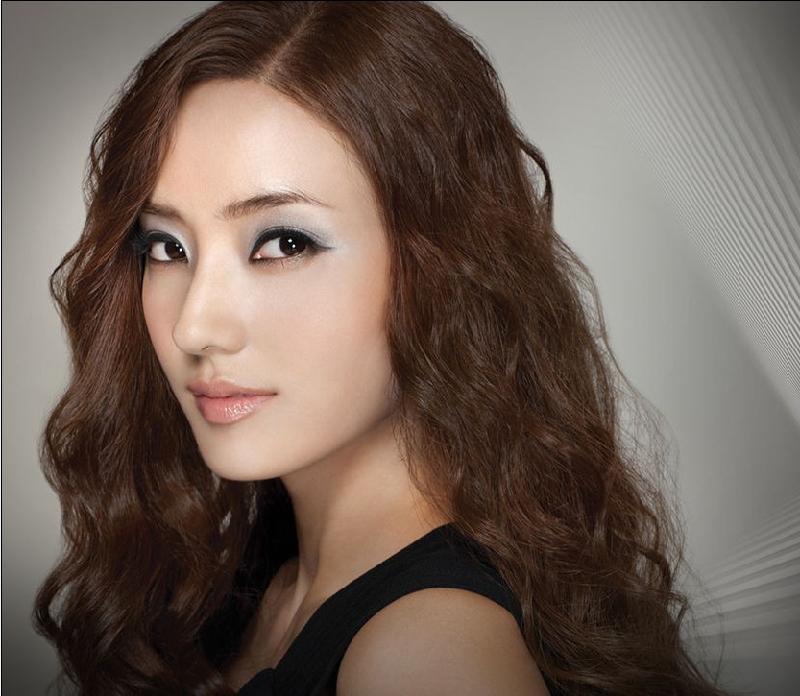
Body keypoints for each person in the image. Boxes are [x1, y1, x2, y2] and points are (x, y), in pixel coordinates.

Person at [33, 2, 735, 695]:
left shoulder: (425, 656)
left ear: (442, 267)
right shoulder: (256, 579)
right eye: (166, 247)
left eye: (284, 242)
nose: (196, 327)